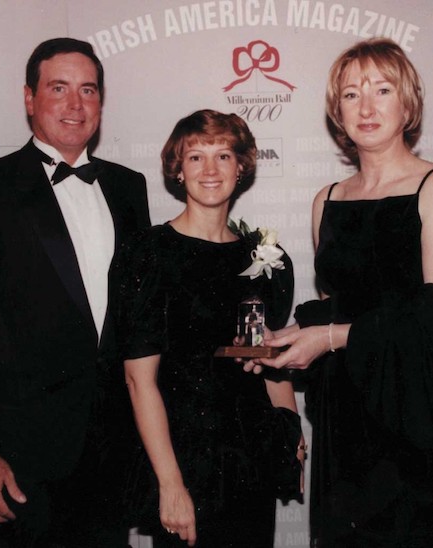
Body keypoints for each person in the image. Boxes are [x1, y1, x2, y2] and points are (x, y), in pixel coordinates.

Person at [254, 39, 433, 546]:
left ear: (406, 103)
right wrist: (294, 334)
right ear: (336, 111)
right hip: (347, 416)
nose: (366, 107)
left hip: (420, 411)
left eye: (381, 90)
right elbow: (343, 301)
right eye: (351, 95)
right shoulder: (327, 200)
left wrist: (329, 337)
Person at [0, 37, 151, 547]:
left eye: (88, 90)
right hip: (24, 455)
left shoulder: (129, 188)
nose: (75, 105)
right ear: (29, 98)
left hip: (115, 449)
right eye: (59, 88)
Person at [117, 109, 303, 547]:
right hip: (183, 457)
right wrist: (170, 484)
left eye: (223, 156)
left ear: (242, 167)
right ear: (177, 170)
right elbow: (137, 380)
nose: (210, 170)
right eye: (195, 157)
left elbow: (270, 360)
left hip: (251, 456)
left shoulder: (267, 258)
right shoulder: (149, 253)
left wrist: (291, 437)